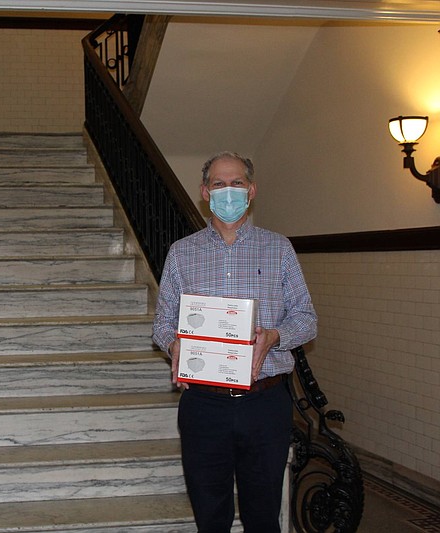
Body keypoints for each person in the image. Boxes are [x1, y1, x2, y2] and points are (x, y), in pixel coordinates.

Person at [152, 151, 317, 533]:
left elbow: (307, 320)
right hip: (203, 407)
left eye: (237, 183)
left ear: (252, 190)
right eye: (219, 184)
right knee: (211, 517)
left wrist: (275, 336)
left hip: (265, 403)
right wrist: (174, 344)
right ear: (205, 192)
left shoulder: (279, 249)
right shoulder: (182, 252)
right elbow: (162, 322)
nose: (229, 191)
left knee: (263, 518)